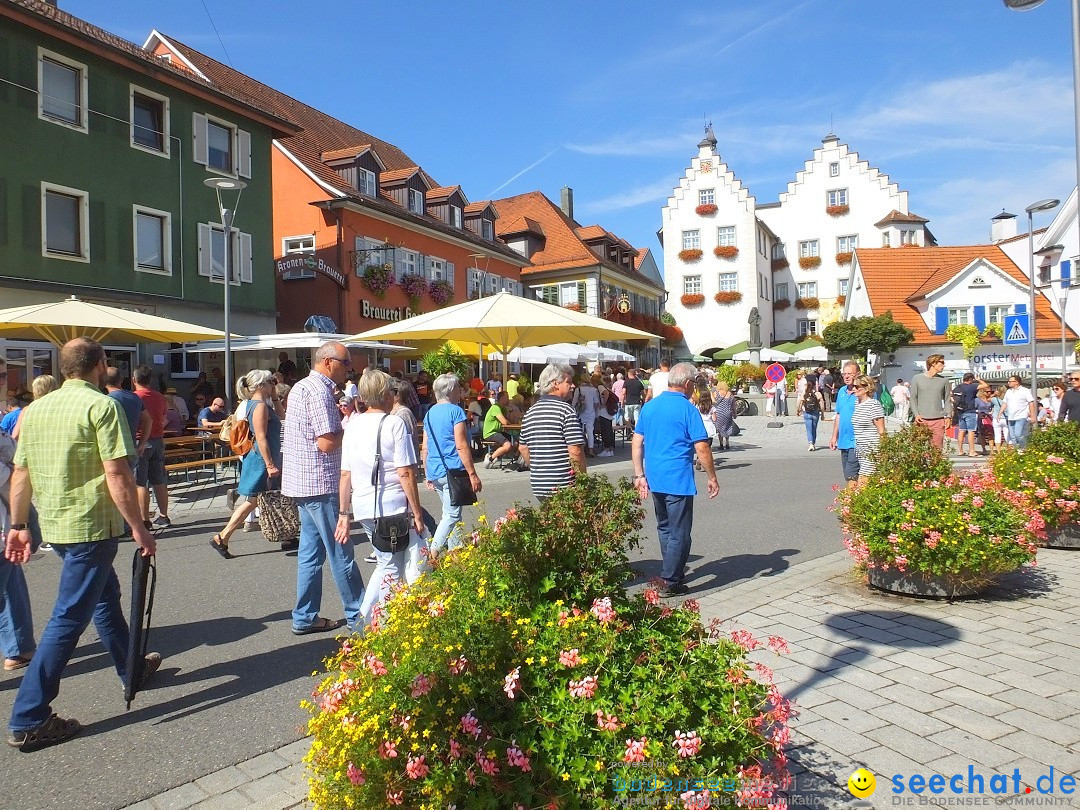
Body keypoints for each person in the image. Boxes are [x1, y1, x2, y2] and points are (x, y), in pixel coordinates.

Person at [4, 338, 159, 751]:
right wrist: (139, 528)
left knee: (104, 596)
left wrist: (18, 524)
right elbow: (118, 474)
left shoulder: (36, 409)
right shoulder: (102, 405)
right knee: (69, 617)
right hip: (92, 524)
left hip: (57, 523)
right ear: (101, 364)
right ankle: (29, 715)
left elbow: (20, 474)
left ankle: (132, 668)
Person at [282, 341, 364, 635]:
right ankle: (360, 618)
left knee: (310, 553)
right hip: (321, 481)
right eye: (346, 364)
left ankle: (305, 616)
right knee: (341, 552)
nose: (349, 369)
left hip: (303, 482)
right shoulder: (318, 391)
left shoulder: (303, 387)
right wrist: (352, 425)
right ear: (329, 362)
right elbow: (327, 442)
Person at [337, 369, 426, 626]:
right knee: (392, 568)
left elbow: (345, 474)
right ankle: (385, 625)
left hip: (364, 505)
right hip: (392, 504)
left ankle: (361, 620)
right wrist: (417, 513)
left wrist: (344, 514)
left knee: (384, 560)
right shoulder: (394, 423)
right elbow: (406, 472)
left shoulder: (352, 425)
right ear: (386, 394)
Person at [632, 362, 718, 595]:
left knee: (665, 527)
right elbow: (702, 446)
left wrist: (639, 474)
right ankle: (670, 580)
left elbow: (637, 443)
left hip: (655, 476)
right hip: (677, 478)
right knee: (680, 531)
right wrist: (711, 476)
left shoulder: (650, 406)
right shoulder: (687, 409)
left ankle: (673, 573)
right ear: (688, 384)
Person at [209, 370, 282, 559]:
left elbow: (282, 417)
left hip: (260, 458)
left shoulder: (257, 404)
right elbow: (261, 437)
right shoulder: (259, 407)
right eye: (269, 382)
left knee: (256, 499)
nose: (271, 385)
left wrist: (275, 398)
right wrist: (270, 464)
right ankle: (222, 537)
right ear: (260, 385)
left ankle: (286, 535)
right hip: (261, 459)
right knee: (252, 500)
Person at [422, 373, 483, 557]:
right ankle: (433, 551)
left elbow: (425, 447)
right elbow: (461, 444)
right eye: (458, 388)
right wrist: (472, 473)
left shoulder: (430, 412)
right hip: (453, 469)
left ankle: (455, 552)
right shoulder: (456, 411)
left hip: (435, 469)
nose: (460, 392)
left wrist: (426, 473)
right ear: (450, 391)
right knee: (452, 515)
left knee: (452, 512)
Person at [518, 364, 586, 501]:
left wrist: (539, 469)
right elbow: (575, 450)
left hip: (539, 485)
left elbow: (523, 447)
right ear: (555, 383)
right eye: (569, 382)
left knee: (549, 520)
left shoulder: (530, 412)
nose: (572, 386)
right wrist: (582, 480)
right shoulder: (566, 410)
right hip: (564, 484)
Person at [132, 364, 170, 529]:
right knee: (159, 480)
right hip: (158, 439)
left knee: (141, 483)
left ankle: (144, 519)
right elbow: (162, 417)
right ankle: (164, 516)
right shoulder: (160, 397)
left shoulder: (134, 398)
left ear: (134, 380)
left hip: (141, 441)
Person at [829, 360, 861, 488]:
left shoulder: (863, 393)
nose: (846, 377)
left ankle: (850, 504)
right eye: (844, 374)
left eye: (850, 374)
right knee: (849, 475)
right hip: (844, 441)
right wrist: (834, 436)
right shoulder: (842, 391)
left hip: (857, 441)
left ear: (858, 374)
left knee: (851, 475)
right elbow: (839, 415)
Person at [909, 354, 951, 450]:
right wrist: (916, 414)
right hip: (921, 420)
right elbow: (913, 398)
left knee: (936, 451)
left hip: (938, 420)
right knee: (918, 450)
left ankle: (935, 465)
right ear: (933, 363)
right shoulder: (917, 378)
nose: (944, 365)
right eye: (942, 362)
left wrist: (948, 416)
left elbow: (947, 399)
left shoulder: (944, 380)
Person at [851, 374, 886, 484]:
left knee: (864, 480)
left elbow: (881, 430)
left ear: (866, 388)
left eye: (857, 387)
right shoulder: (857, 403)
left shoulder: (873, 404)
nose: (854, 389)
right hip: (860, 448)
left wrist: (883, 450)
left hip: (872, 448)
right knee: (866, 480)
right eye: (854, 386)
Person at [951, 372, 981, 458]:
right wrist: (978, 379)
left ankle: (960, 451)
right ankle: (972, 451)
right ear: (970, 379)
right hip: (970, 411)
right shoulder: (971, 386)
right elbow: (985, 385)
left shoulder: (958, 387)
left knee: (961, 431)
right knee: (971, 431)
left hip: (960, 412)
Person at [1003, 375, 1037, 449]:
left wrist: (1033, 416)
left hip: (1021, 416)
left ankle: (1024, 448)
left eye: (1010, 381)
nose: (1008, 383)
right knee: (1013, 437)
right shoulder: (1009, 391)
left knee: (1018, 434)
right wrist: (999, 413)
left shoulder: (1024, 391)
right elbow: (1004, 403)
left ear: (1017, 382)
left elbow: (1031, 403)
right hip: (1011, 417)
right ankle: (1017, 451)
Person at [572, 374, 602, 458]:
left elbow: (574, 401)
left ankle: (581, 449)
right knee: (590, 431)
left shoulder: (579, 389)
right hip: (591, 412)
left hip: (581, 412)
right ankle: (591, 449)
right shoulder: (594, 390)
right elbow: (596, 403)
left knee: (580, 431)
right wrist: (593, 410)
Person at [482, 391, 515, 468]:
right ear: (502, 398)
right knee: (508, 446)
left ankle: (515, 459)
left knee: (516, 443)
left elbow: (510, 421)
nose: (508, 400)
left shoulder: (503, 408)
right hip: (491, 432)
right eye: (507, 398)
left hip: (498, 432)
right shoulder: (495, 407)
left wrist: (510, 411)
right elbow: (504, 422)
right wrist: (507, 421)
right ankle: (490, 459)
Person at [797, 376, 825, 451]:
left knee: (808, 429)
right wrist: (822, 414)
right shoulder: (818, 394)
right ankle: (814, 443)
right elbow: (822, 405)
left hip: (807, 413)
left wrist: (798, 411)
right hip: (815, 413)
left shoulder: (804, 394)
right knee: (814, 429)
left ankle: (810, 443)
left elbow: (799, 402)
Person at [709, 380, 737, 451]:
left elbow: (713, 402)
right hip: (728, 413)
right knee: (727, 427)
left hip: (719, 413)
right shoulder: (730, 394)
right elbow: (733, 405)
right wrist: (735, 414)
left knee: (720, 429)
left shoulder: (716, 393)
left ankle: (721, 444)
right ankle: (727, 443)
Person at [595, 382, 617, 457]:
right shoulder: (603, 386)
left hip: (604, 413)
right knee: (609, 431)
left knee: (605, 431)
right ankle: (610, 450)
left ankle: (606, 449)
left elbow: (606, 393)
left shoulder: (600, 386)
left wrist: (603, 404)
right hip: (608, 413)